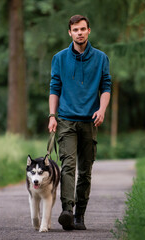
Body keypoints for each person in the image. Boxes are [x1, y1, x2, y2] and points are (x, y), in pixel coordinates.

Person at [48, 15, 111, 231]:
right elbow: (54, 88)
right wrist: (52, 116)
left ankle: (79, 215)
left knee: (85, 170)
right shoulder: (59, 58)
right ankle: (67, 210)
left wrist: (102, 110)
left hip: (89, 121)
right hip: (66, 120)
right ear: (70, 33)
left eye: (83, 29)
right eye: (75, 30)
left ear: (89, 30)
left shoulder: (101, 58)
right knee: (68, 165)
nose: (80, 33)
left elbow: (106, 87)